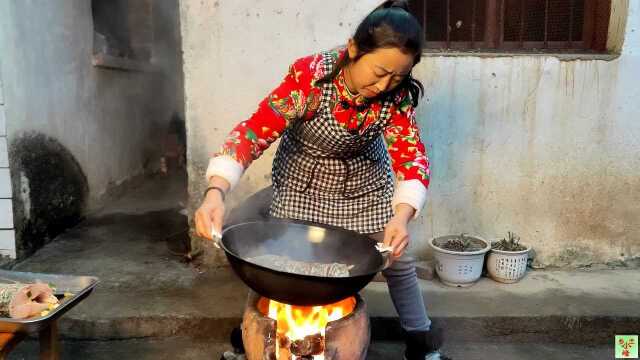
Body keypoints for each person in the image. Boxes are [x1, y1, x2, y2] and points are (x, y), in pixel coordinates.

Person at [195, 1, 449, 359]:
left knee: (398, 259)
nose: (384, 84)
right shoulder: (309, 77)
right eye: (378, 72)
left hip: (362, 185)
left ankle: (421, 342)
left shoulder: (396, 99)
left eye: (396, 77)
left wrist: (401, 217)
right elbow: (254, 132)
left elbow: (411, 158)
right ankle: (255, 333)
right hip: (303, 179)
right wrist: (215, 192)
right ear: (353, 49)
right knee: (276, 260)